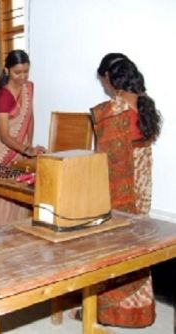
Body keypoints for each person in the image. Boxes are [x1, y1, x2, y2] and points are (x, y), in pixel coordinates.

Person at [70, 53, 162, 327]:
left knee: (110, 248)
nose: (104, 88)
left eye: (104, 82)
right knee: (136, 248)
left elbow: (103, 159)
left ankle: (107, 312)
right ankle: (140, 310)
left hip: (120, 194)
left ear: (110, 78)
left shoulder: (113, 112)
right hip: (141, 191)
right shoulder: (144, 105)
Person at [0, 50, 46, 226]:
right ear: (7, 70)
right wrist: (26, 149)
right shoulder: (3, 95)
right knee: (2, 199)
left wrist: (28, 147)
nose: (22, 77)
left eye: (26, 71)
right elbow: (4, 135)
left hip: (19, 147)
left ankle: (19, 240)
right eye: (18, 72)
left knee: (21, 197)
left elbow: (29, 118)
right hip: (1, 150)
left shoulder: (28, 88)